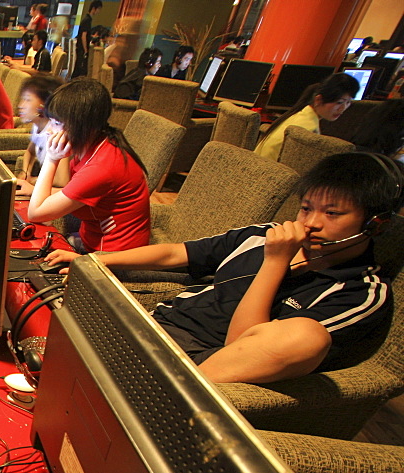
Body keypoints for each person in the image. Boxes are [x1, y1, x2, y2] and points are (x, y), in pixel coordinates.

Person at [44, 152, 401, 384]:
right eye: (306, 208)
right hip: (156, 325)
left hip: (198, 364)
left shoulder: (359, 292)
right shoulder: (264, 235)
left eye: (333, 213)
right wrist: (92, 260)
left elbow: (242, 345)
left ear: (375, 224)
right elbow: (174, 255)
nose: (311, 223)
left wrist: (275, 263)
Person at [27, 78, 149, 253]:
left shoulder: (102, 167)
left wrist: (52, 158)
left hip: (108, 256)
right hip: (90, 238)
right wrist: (33, 189)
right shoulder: (97, 143)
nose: (49, 130)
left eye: (57, 123)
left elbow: (36, 213)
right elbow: (73, 191)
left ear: (82, 125)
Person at [255, 73, 359, 161]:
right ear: (318, 100)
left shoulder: (299, 115)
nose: (343, 108)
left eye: (348, 102)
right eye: (339, 102)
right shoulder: (308, 129)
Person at [14, 75, 67, 198]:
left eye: (27, 100)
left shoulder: (56, 132)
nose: (20, 105)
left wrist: (33, 181)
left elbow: (62, 181)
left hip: (58, 197)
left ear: (44, 105)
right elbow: (30, 152)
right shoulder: (38, 125)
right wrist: (25, 172)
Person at [73, 0, 103, 77]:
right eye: (98, 9)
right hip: (81, 48)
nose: (99, 11)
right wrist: (85, 50)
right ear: (94, 8)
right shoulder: (87, 20)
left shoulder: (87, 19)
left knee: (78, 68)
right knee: (80, 69)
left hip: (80, 47)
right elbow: (83, 36)